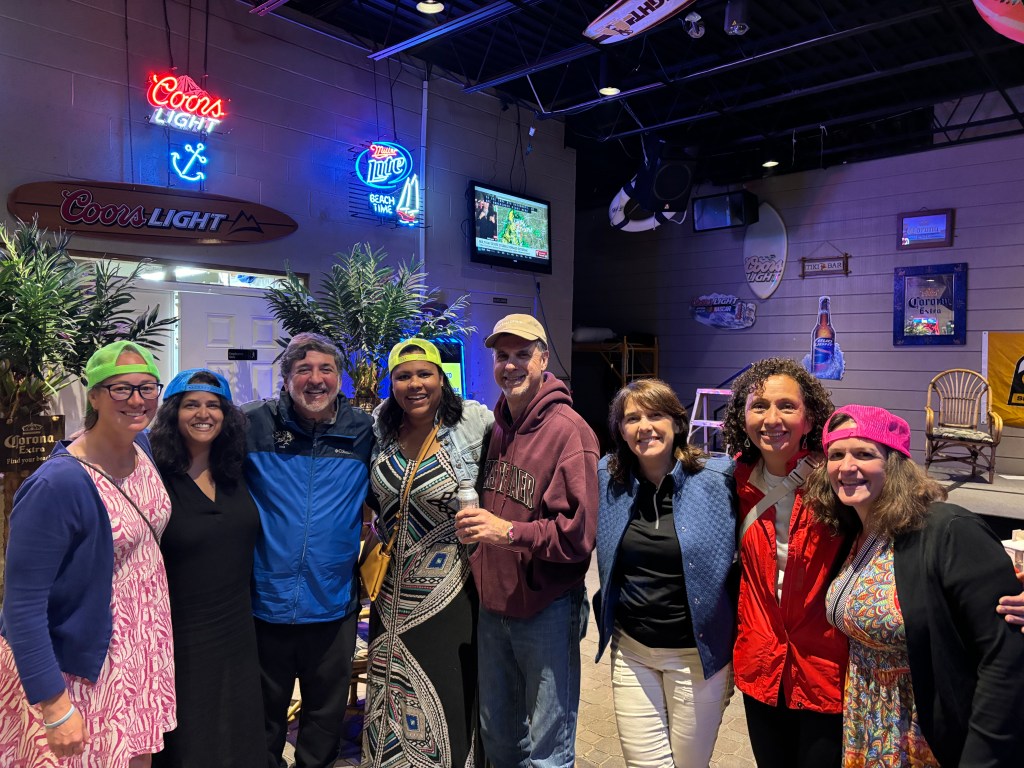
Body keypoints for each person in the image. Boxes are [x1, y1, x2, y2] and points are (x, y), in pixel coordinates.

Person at [806, 404, 1024, 767]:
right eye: (836, 454)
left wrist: (984, 756)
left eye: (864, 454)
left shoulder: (947, 529)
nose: (846, 466)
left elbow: (1005, 658)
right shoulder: (854, 532)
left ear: (894, 463)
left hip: (929, 734)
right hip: (867, 722)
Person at [0, 341, 175, 767]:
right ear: (94, 395)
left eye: (147, 387)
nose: (137, 399)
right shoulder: (57, 485)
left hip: (140, 653)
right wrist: (54, 705)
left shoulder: (142, 449)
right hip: (82, 670)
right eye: (121, 388)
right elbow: (22, 606)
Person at [455, 313, 599, 768]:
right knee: (498, 737)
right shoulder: (498, 426)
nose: (511, 365)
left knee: (548, 747)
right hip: (493, 604)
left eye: (522, 354)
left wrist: (508, 532)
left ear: (543, 359)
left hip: (546, 607)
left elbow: (578, 536)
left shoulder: (570, 431)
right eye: (502, 356)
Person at [242, 332, 375, 768]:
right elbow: (184, 436)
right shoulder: (252, 425)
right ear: (286, 379)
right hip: (265, 604)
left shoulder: (363, 431)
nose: (316, 379)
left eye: (326, 369)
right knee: (262, 719)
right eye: (303, 370)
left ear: (340, 378)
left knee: (324, 719)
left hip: (333, 605)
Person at [362, 339, 493, 768]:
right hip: (389, 592)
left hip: (450, 591)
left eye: (424, 374)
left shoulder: (472, 423)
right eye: (403, 376)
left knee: (448, 691)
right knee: (388, 696)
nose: (415, 384)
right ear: (392, 383)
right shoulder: (381, 428)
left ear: (441, 379)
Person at [594, 379, 737, 768]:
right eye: (632, 418)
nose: (645, 427)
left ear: (676, 422)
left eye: (655, 415)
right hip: (632, 650)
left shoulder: (718, 478)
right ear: (620, 429)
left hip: (696, 656)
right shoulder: (609, 476)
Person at [720, 357, 847, 768]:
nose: (772, 419)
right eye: (759, 406)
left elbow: (903, 528)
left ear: (809, 419)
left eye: (786, 406)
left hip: (826, 663)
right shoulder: (732, 480)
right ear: (742, 417)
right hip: (761, 659)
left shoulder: (840, 480)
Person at [149, 369, 264, 768]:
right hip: (179, 631)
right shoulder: (153, 475)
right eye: (191, 405)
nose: (203, 414)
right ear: (173, 413)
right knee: (191, 734)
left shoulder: (236, 471)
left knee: (237, 728)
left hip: (237, 625)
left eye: (213, 405)